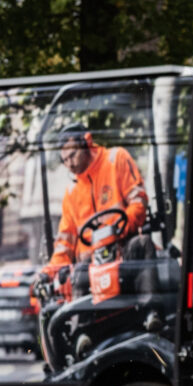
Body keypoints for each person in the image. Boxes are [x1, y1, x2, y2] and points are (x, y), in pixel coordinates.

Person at [43, 124, 148, 290]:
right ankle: (78, 316)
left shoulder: (116, 160)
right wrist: (49, 272)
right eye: (64, 161)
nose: (69, 164)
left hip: (124, 252)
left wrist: (116, 233)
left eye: (72, 155)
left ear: (87, 142)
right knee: (74, 277)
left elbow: (138, 204)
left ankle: (152, 313)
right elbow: (65, 242)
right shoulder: (71, 193)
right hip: (90, 268)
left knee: (142, 244)